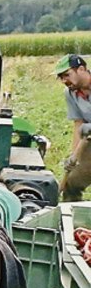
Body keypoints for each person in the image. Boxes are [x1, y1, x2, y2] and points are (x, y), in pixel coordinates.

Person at [55, 54, 91, 199]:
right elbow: (78, 124)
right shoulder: (70, 93)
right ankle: (71, 217)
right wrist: (74, 157)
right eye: (61, 77)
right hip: (88, 139)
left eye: (67, 75)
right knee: (72, 182)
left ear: (81, 69)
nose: (64, 80)